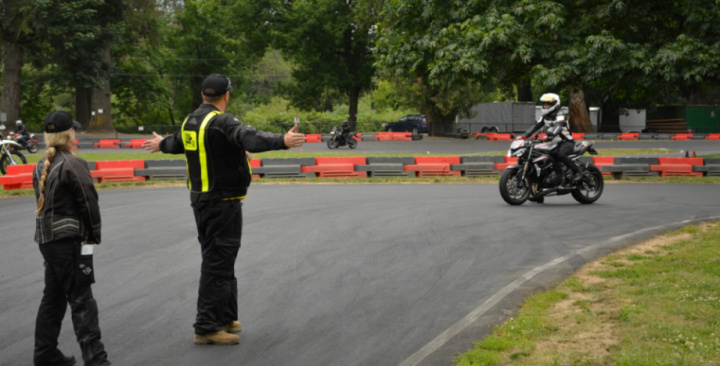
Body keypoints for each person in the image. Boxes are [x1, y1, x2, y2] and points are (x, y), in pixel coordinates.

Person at [143, 74, 305, 345]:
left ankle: (226, 317)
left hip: (202, 203)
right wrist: (282, 141)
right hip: (222, 203)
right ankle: (206, 327)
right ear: (226, 95)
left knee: (222, 259)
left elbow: (177, 144)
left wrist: (160, 144)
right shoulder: (222, 122)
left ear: (204, 95)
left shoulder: (191, 121)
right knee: (218, 262)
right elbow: (249, 137)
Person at [32, 111, 111, 366]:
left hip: (47, 242)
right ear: (70, 134)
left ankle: (45, 354)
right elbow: (89, 204)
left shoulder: (40, 166)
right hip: (68, 242)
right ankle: (96, 360)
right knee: (82, 300)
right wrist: (94, 235)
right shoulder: (73, 164)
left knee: (53, 298)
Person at [521, 93, 582, 183]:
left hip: (566, 142)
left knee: (560, 154)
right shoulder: (545, 116)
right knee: (538, 153)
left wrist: (550, 135)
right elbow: (536, 127)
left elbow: (558, 126)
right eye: (544, 104)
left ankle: (577, 172)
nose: (545, 106)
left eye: (547, 104)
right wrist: (524, 136)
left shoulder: (560, 115)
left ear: (554, 105)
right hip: (552, 143)